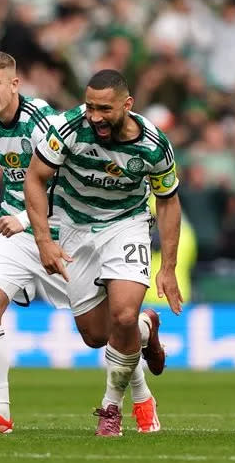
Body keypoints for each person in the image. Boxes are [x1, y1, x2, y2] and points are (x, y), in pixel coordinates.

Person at [0, 52, 165, 434]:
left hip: (60, 232)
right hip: (14, 233)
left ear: (14, 84)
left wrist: (25, 219)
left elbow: (62, 182)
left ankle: (141, 378)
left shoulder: (47, 123)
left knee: (102, 333)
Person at [24, 69, 183, 437]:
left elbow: (168, 200)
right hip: (75, 229)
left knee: (123, 315)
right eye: (90, 106)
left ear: (127, 105)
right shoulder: (66, 128)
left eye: (104, 109)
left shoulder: (154, 144)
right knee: (97, 336)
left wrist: (168, 267)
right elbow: (35, 177)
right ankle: (148, 329)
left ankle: (111, 409)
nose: (94, 116)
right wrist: (44, 241)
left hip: (125, 224)